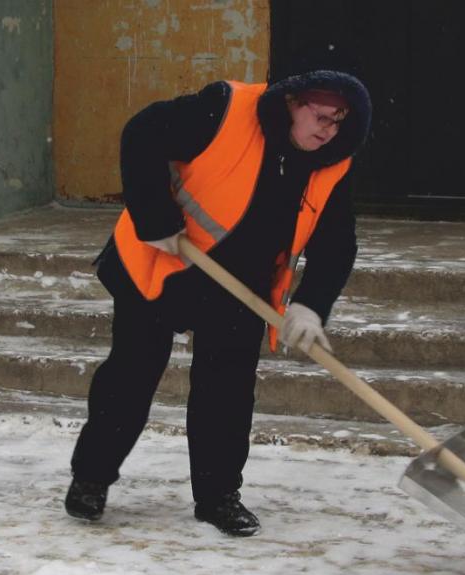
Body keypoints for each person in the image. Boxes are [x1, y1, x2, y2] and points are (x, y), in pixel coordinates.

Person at [64, 52, 372, 537]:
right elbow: (141, 133)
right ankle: (91, 478)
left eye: (339, 122)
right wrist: (153, 218)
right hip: (164, 261)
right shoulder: (226, 109)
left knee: (226, 392)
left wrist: (312, 304)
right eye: (320, 116)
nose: (328, 131)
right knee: (132, 374)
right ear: (292, 102)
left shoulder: (332, 165)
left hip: (240, 286)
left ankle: (218, 497)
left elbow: (337, 242)